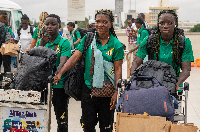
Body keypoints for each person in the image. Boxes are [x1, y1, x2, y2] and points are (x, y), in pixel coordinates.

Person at [53, 9, 124, 132]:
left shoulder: (116, 45)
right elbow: (75, 57)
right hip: (88, 90)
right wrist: (60, 72)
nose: (100, 24)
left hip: (108, 92)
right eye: (98, 21)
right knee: (87, 126)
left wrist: (116, 92)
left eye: (104, 22)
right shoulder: (88, 39)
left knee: (106, 127)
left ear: (111, 24)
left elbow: (118, 68)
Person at [131, 10, 194, 92]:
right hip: (152, 85)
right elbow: (136, 62)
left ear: (175, 24)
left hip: (173, 83)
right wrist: (133, 80)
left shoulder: (184, 42)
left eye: (170, 23)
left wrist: (176, 85)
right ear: (158, 24)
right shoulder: (149, 41)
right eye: (162, 23)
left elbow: (186, 70)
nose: (165, 26)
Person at [36, 14, 71, 132]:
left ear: (59, 26)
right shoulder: (42, 41)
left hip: (58, 85)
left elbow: (63, 62)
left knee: (61, 118)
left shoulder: (64, 42)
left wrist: (56, 74)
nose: (49, 27)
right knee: (39, 116)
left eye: (53, 24)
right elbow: (35, 60)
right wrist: (41, 45)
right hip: (42, 85)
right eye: (47, 24)